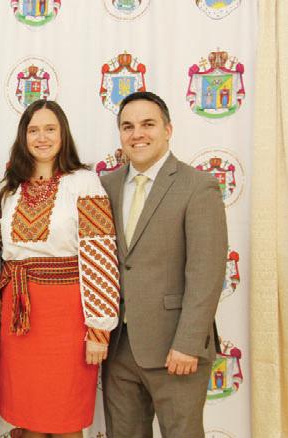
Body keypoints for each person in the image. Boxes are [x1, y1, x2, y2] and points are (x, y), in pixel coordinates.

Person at [100, 91, 227, 438]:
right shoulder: (105, 186)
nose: (137, 134)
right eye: (128, 126)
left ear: (168, 130)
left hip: (176, 347)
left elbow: (206, 273)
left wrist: (188, 342)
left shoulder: (198, 186)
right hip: (118, 347)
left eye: (148, 124)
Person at [0, 99, 120, 438]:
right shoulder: (11, 190)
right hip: (19, 317)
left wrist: (99, 329)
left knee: (65, 418)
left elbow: (100, 254)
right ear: (23, 137)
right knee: (28, 418)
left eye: (50, 129)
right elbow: (3, 258)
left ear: (63, 134)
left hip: (67, 318)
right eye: (33, 130)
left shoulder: (84, 182)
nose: (42, 137)